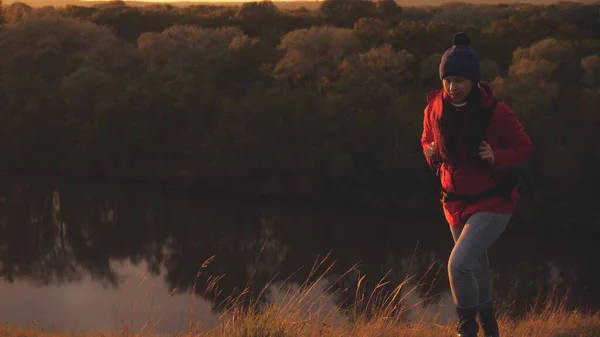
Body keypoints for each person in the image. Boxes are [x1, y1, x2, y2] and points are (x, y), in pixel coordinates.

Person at [420, 32, 532, 337]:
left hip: (494, 202)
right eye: (448, 80)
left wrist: (497, 155)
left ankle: (466, 328)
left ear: (473, 80)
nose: (452, 87)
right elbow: (427, 138)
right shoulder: (435, 109)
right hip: (454, 202)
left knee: (459, 266)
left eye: (459, 80)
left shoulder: (496, 112)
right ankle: (491, 331)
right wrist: (430, 152)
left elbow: (524, 147)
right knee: (478, 269)